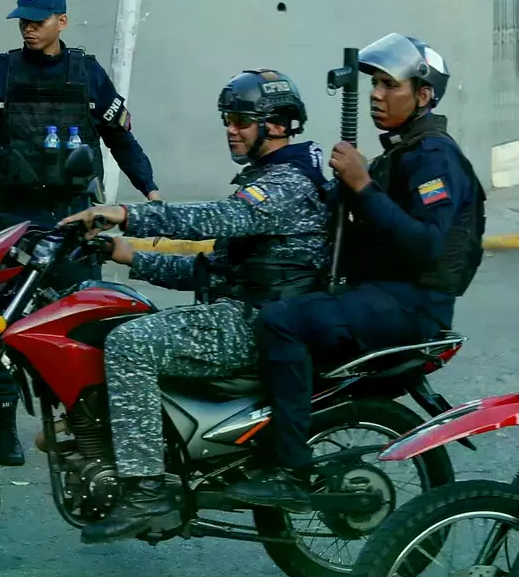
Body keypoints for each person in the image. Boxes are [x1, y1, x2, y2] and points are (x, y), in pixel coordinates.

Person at [58, 70, 332, 542]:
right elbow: (212, 270)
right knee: (117, 319)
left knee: (128, 344)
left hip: (257, 321)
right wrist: (119, 251)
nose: (231, 128)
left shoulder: (288, 182)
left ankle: (145, 492)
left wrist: (126, 213)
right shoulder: (268, 177)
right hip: (243, 308)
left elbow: (217, 218)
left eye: (243, 120)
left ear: (280, 124)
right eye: (228, 118)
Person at [231, 34, 484, 510]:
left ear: (423, 94)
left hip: (410, 304)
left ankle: (289, 467)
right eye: (373, 84)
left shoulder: (434, 156)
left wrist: (362, 184)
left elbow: (427, 244)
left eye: (390, 85)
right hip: (382, 292)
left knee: (281, 322)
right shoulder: (404, 151)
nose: (376, 94)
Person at [0, 0, 161, 467]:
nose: (28, 28)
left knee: (85, 323)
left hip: (75, 218)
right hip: (17, 217)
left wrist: (150, 191)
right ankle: (5, 425)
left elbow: (120, 137)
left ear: (61, 22)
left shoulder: (86, 75)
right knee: (1, 321)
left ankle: (85, 429)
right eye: (23, 20)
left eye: (38, 21)